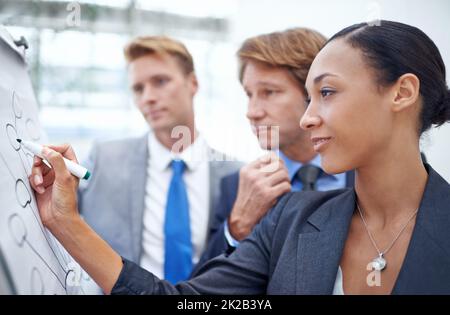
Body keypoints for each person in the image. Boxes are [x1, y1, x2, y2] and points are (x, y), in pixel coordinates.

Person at [29, 21, 450, 294]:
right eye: (248, 94)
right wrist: (65, 222)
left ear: (401, 92)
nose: (307, 118)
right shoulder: (291, 217)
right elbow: (185, 298)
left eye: (325, 93)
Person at [76, 36, 240, 284]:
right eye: (138, 89)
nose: (148, 98)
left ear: (193, 83)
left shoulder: (235, 175)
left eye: (160, 82)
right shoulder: (103, 160)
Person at [193, 28, 354, 273]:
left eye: (269, 92)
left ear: (314, 94)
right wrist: (237, 226)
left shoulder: (368, 173)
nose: (252, 111)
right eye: (249, 95)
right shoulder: (235, 188)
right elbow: (198, 290)